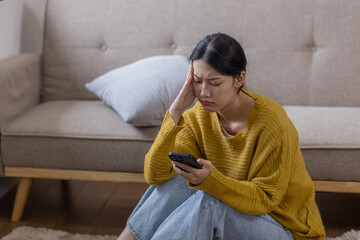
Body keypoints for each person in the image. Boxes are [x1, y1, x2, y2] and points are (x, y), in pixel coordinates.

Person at [118, 33, 326, 240]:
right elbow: (154, 176)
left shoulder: (272, 122)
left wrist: (211, 180)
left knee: (210, 203)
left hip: (286, 228)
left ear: (239, 79)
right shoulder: (195, 117)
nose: (204, 92)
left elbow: (265, 199)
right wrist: (176, 110)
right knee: (178, 180)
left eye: (215, 83)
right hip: (237, 217)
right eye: (197, 81)